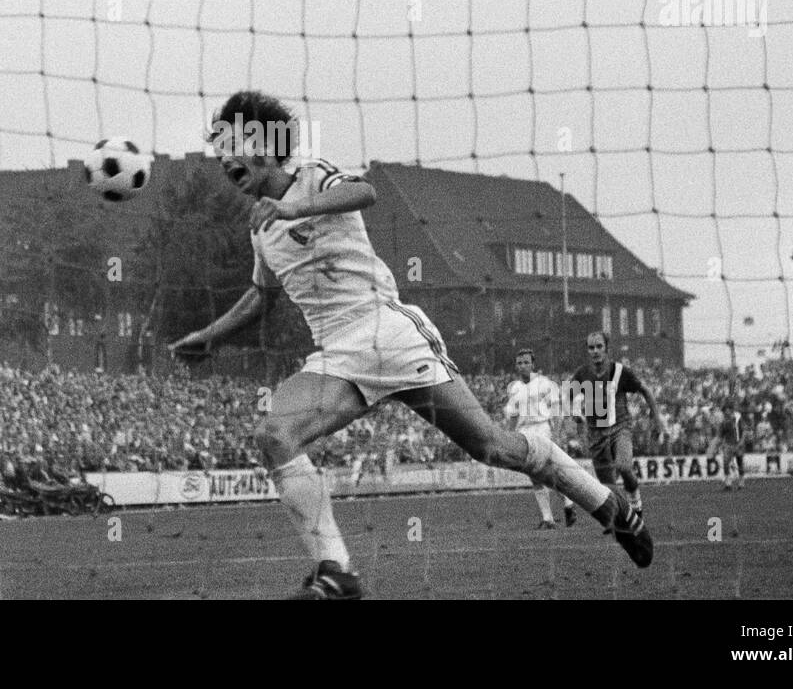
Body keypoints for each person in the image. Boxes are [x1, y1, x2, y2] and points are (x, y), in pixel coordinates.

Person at [169, 90, 652, 600]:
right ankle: (337, 572)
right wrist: (209, 337)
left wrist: (292, 208)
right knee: (275, 436)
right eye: (219, 150)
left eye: (232, 143)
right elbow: (261, 296)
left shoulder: (314, 177)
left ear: (263, 141)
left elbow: (365, 193)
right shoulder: (262, 230)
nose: (225, 159)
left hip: (391, 333)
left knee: (491, 445)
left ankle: (610, 507)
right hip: (338, 356)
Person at [570, 331, 662, 518]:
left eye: (599, 347)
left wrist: (657, 420)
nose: (595, 351)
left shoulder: (620, 372)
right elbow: (568, 396)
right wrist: (575, 413)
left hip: (620, 427)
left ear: (606, 348)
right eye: (591, 347)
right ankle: (626, 515)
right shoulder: (582, 373)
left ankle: (635, 503)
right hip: (596, 433)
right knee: (607, 486)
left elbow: (646, 391)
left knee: (624, 466)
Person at [504, 349, 575, 528]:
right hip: (524, 433)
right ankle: (550, 517)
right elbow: (513, 415)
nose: (522, 366)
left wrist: (557, 433)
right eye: (519, 363)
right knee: (534, 475)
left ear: (533, 364)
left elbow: (556, 411)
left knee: (545, 472)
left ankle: (565, 505)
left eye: (526, 362)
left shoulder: (545, 384)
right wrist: (509, 437)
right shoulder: (514, 388)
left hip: (542, 429)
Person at [717, 403, 745, 491]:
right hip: (728, 444)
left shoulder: (737, 418)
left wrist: (741, 441)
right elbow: (721, 435)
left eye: (727, 410)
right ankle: (728, 484)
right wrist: (721, 445)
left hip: (738, 443)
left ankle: (741, 482)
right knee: (725, 463)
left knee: (739, 463)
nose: (726, 412)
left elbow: (743, 431)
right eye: (724, 411)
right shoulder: (723, 422)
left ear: (730, 410)